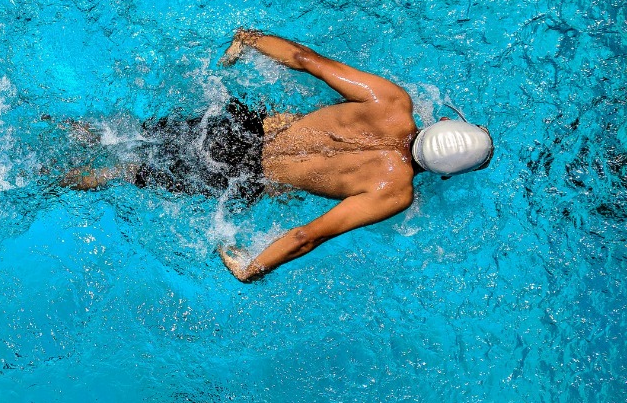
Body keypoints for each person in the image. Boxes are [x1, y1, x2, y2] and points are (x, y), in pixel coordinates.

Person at [62, 29, 494, 282]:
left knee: (124, 134)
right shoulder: (394, 192)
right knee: (125, 172)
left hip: (239, 127)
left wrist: (251, 40)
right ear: (446, 174)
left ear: (441, 122)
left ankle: (62, 126)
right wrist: (253, 267)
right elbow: (309, 235)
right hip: (241, 176)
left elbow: (307, 60)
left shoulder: (391, 101)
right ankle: (48, 179)